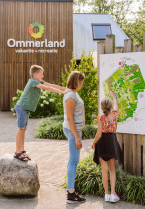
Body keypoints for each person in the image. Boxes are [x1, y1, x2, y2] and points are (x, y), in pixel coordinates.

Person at [14, 65, 70, 161]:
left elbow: (50, 85)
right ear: (35, 74)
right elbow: (46, 88)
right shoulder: (33, 81)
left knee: (24, 129)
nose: (43, 76)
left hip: (25, 109)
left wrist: (65, 89)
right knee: (20, 129)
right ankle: (18, 152)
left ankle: (22, 150)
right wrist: (63, 93)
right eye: (41, 74)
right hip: (22, 107)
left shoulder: (37, 81)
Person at [91, 91, 124, 203]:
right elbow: (116, 105)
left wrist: (93, 142)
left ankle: (106, 194)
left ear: (102, 107)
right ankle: (113, 194)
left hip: (102, 143)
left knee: (104, 170)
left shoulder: (100, 118)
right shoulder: (114, 114)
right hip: (112, 142)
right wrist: (114, 97)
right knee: (112, 170)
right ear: (110, 107)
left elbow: (99, 134)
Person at [63, 71, 86, 204]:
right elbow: (70, 118)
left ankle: (71, 188)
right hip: (72, 130)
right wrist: (77, 137)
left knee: (74, 160)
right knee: (73, 160)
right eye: (80, 81)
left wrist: (79, 132)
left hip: (75, 130)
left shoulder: (71, 92)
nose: (82, 83)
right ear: (75, 81)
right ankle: (71, 194)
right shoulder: (70, 95)